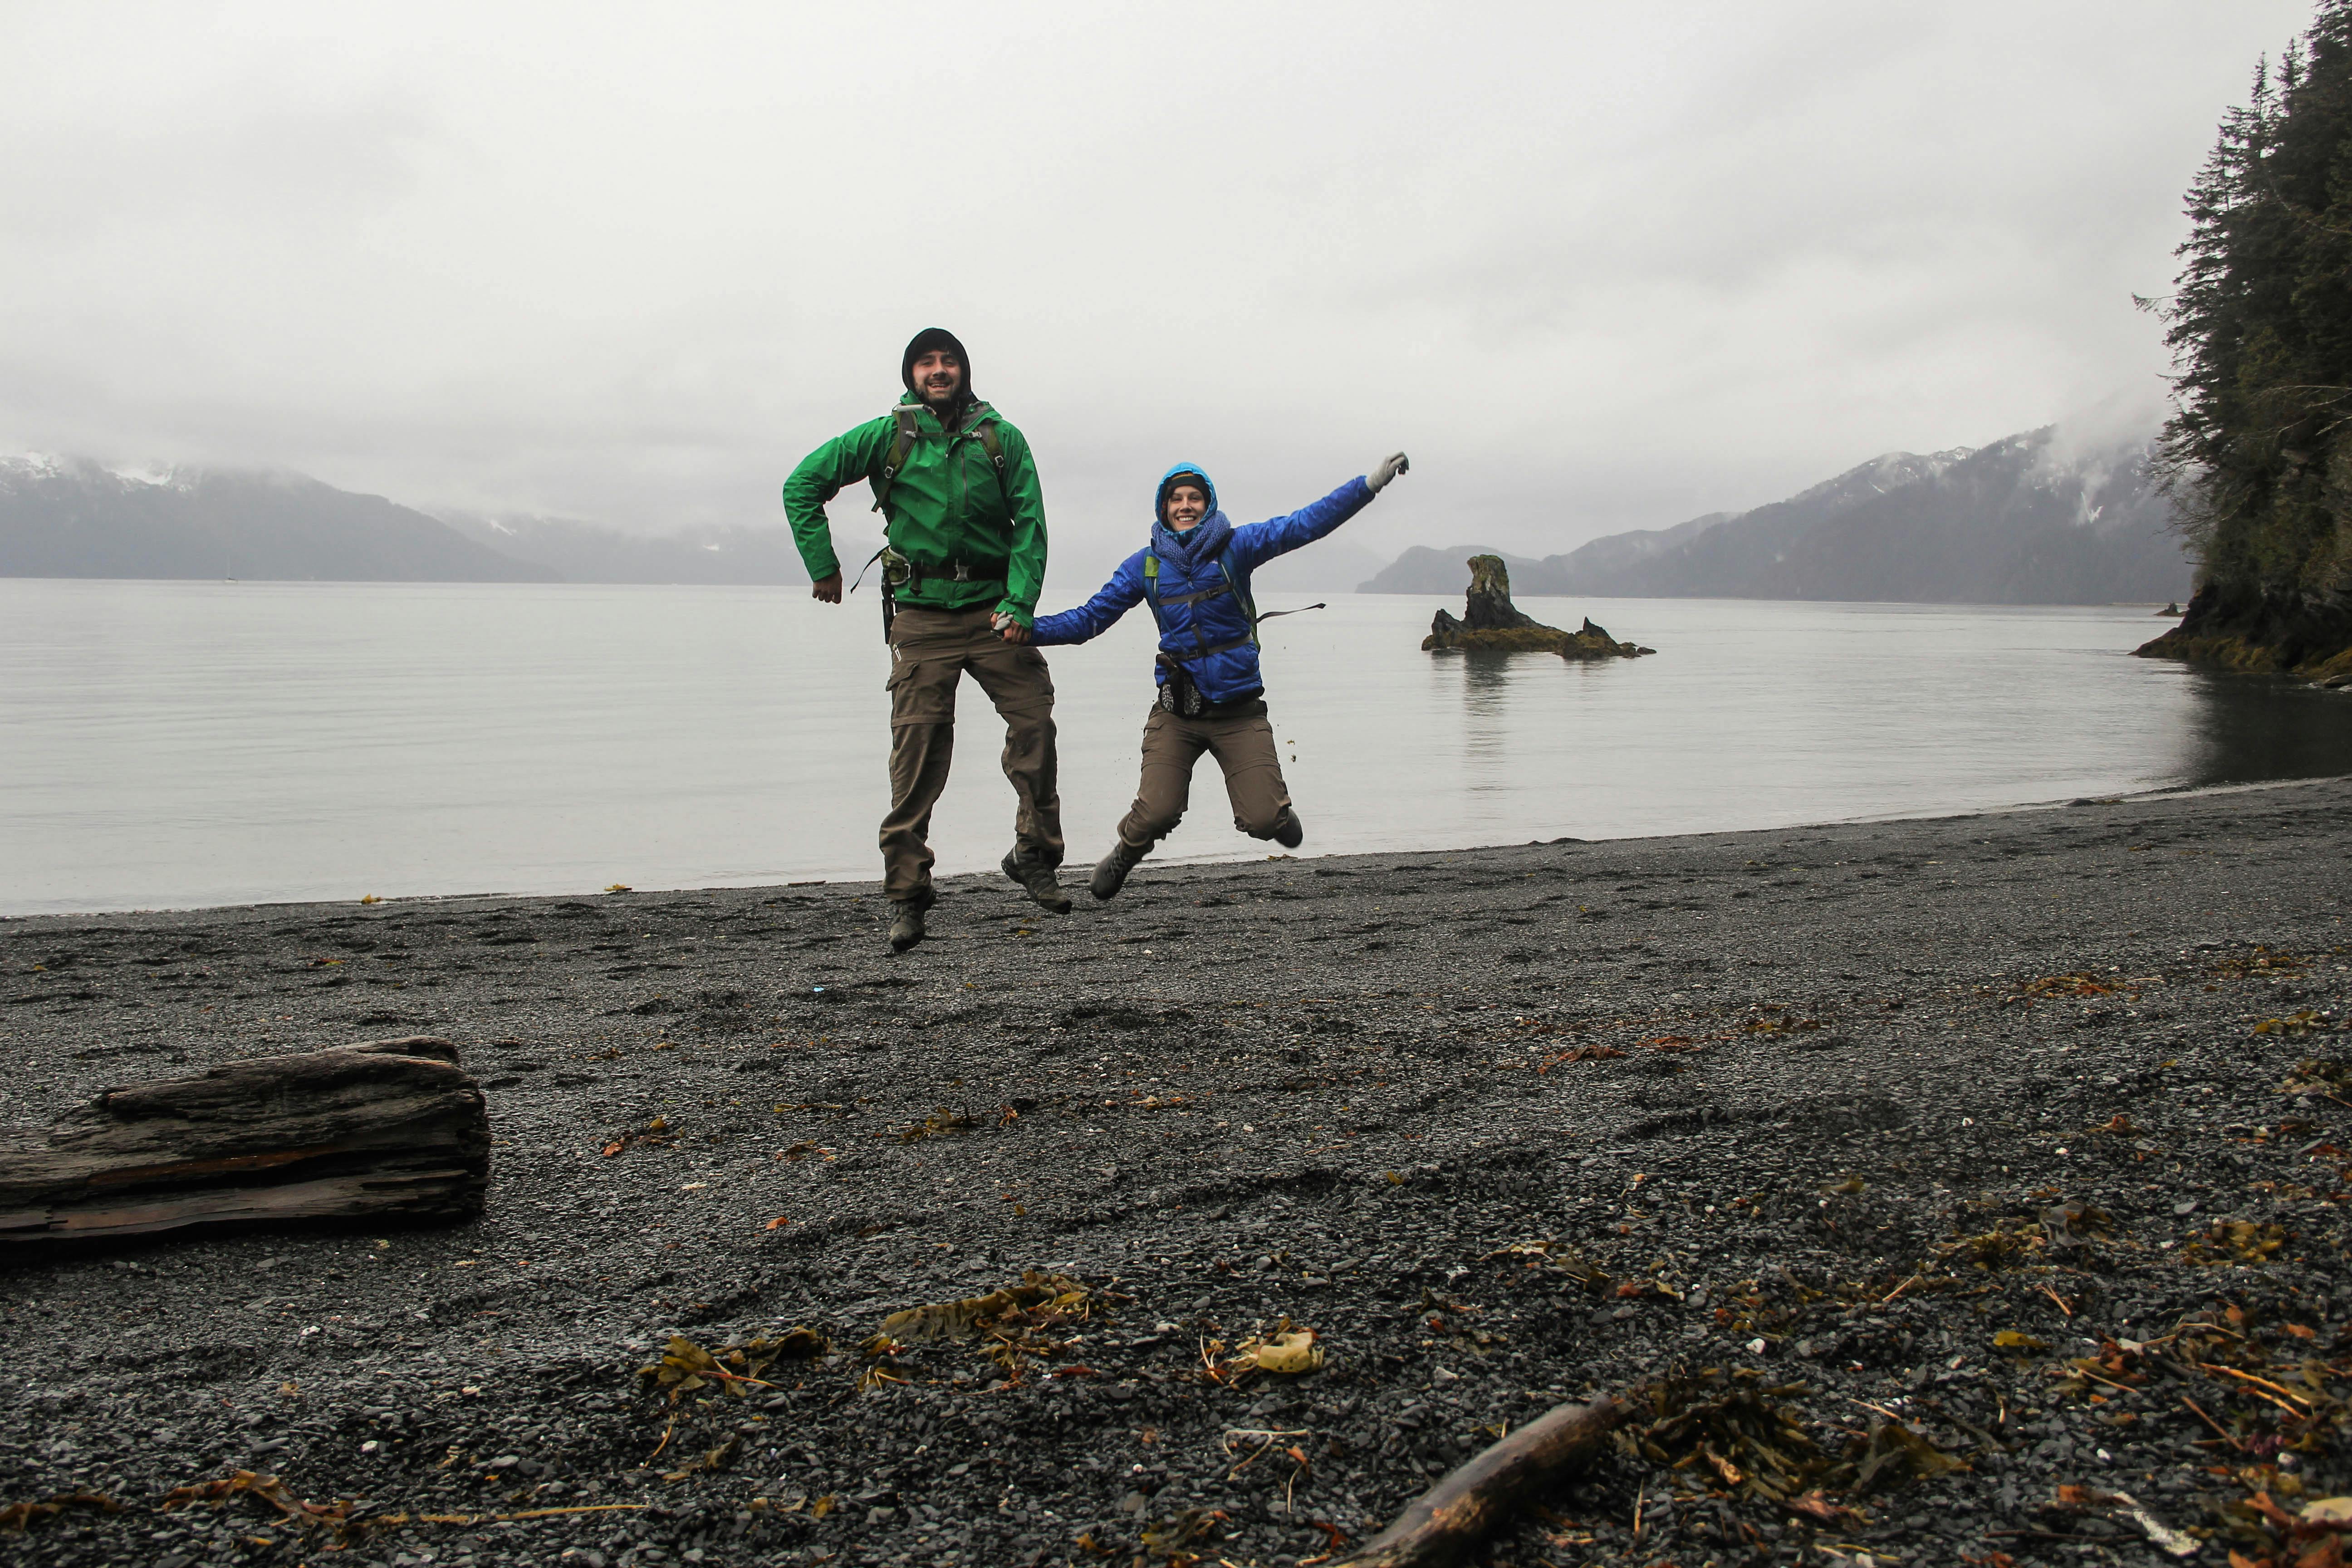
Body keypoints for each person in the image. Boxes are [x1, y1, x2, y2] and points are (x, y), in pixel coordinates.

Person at [782, 328, 1066, 953]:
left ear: (964, 369)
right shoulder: (887, 436)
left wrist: (1020, 603)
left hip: (996, 612)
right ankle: (908, 895)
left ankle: (1034, 854)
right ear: (911, 374)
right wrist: (822, 564)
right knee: (916, 756)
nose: (938, 371)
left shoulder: (1002, 438)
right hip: (920, 616)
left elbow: (1032, 526)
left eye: (949, 361)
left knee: (1035, 726)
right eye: (926, 363)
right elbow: (802, 484)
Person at [1014, 453, 1409, 899]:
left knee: (1265, 822)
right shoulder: (1144, 567)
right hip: (1177, 712)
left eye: (1195, 498)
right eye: (1176, 499)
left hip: (1240, 712)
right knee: (1156, 813)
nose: (1186, 505)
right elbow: (1090, 620)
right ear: (1163, 509)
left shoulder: (1237, 548)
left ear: (1209, 504)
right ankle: (1126, 851)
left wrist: (1369, 484)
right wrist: (1027, 630)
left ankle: (1277, 815)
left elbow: (1304, 524)